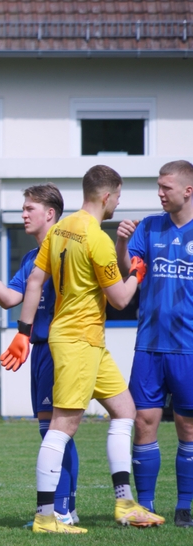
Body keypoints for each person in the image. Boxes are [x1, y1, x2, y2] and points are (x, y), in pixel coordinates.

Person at [2, 164, 165, 533]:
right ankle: (47, 516)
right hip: (77, 341)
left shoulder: (60, 229)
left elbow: (35, 281)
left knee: (125, 410)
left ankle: (125, 503)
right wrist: (136, 272)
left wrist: (22, 332)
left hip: (87, 341)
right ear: (107, 196)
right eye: (118, 197)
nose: (117, 203)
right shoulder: (97, 238)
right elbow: (121, 299)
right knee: (63, 426)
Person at [0, 184, 80, 525]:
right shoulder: (32, 258)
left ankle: (60, 509)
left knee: (56, 431)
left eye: (30, 208)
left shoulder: (69, 250)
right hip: (39, 349)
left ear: (50, 213)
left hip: (63, 348)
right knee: (51, 430)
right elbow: (8, 298)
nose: (23, 214)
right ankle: (66, 508)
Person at [115, 160, 193, 527]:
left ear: (188, 191)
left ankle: (184, 507)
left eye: (166, 187)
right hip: (149, 345)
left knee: (187, 426)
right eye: (158, 187)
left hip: (188, 348)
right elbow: (128, 271)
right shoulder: (147, 227)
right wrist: (120, 242)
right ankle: (143, 505)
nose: (160, 193)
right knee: (144, 420)